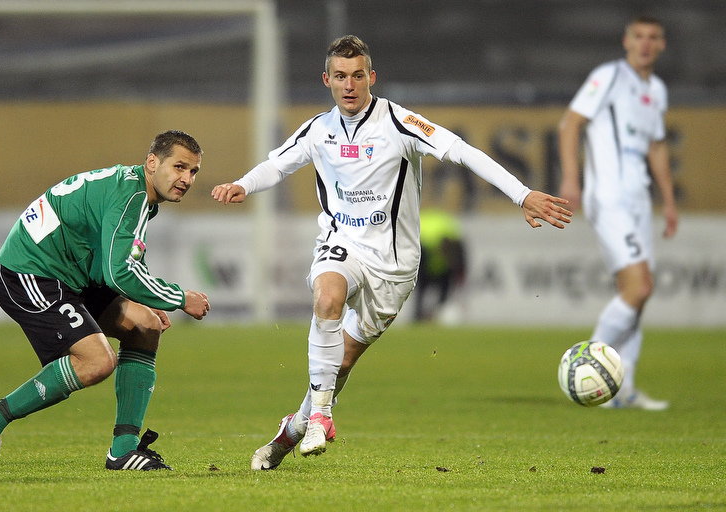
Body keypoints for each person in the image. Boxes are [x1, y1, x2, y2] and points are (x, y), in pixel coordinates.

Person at [212, 35, 572, 470]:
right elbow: (277, 164)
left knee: (339, 364)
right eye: (340, 77)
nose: (349, 85)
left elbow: (462, 151)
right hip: (341, 243)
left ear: (371, 78)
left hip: (394, 265)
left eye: (358, 76)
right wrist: (242, 185)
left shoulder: (400, 123)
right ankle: (322, 416)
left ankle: (292, 430)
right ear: (326, 80)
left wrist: (521, 194)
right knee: (327, 296)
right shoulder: (317, 130)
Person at [0, 130, 211, 471]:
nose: (186, 178)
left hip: (70, 274)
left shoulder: (133, 188)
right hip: (30, 272)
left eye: (193, 171)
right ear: (152, 162)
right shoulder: (133, 195)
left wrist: (146, 295)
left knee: (145, 326)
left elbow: (123, 257)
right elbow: (119, 272)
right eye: (179, 167)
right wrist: (179, 298)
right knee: (96, 362)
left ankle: (123, 450)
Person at [558, 16, 678, 410]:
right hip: (608, 196)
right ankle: (587, 367)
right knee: (638, 287)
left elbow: (657, 147)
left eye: (653, 38)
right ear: (626, 41)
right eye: (638, 36)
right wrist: (572, 181)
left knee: (639, 293)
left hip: (638, 200)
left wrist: (669, 200)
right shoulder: (609, 75)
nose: (645, 44)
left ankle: (623, 389)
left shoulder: (656, 89)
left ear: (662, 44)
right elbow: (570, 123)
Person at [414, 209, 467, 323]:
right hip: (425, 268)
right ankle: (419, 317)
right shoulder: (444, 228)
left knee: (441, 295)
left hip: (442, 270)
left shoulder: (428, 229)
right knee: (421, 294)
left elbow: (459, 256)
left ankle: (434, 316)